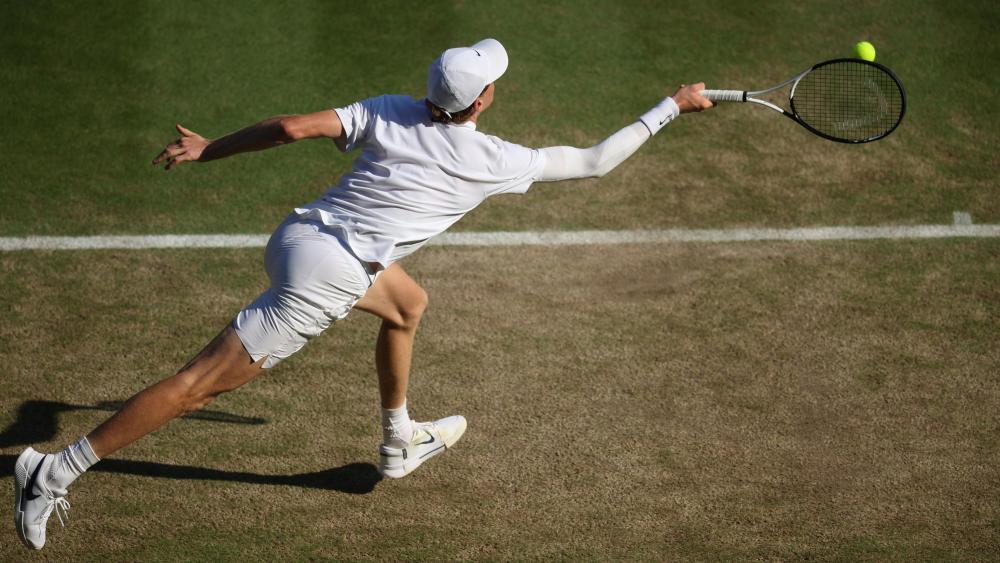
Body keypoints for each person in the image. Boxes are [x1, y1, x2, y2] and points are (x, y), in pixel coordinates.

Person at [13, 38, 713, 550]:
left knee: (408, 305)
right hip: (327, 278)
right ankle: (55, 469)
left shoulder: (389, 110)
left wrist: (210, 149)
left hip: (298, 235)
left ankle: (397, 440)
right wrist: (673, 105)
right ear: (481, 100)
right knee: (196, 384)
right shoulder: (496, 160)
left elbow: (290, 129)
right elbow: (595, 161)